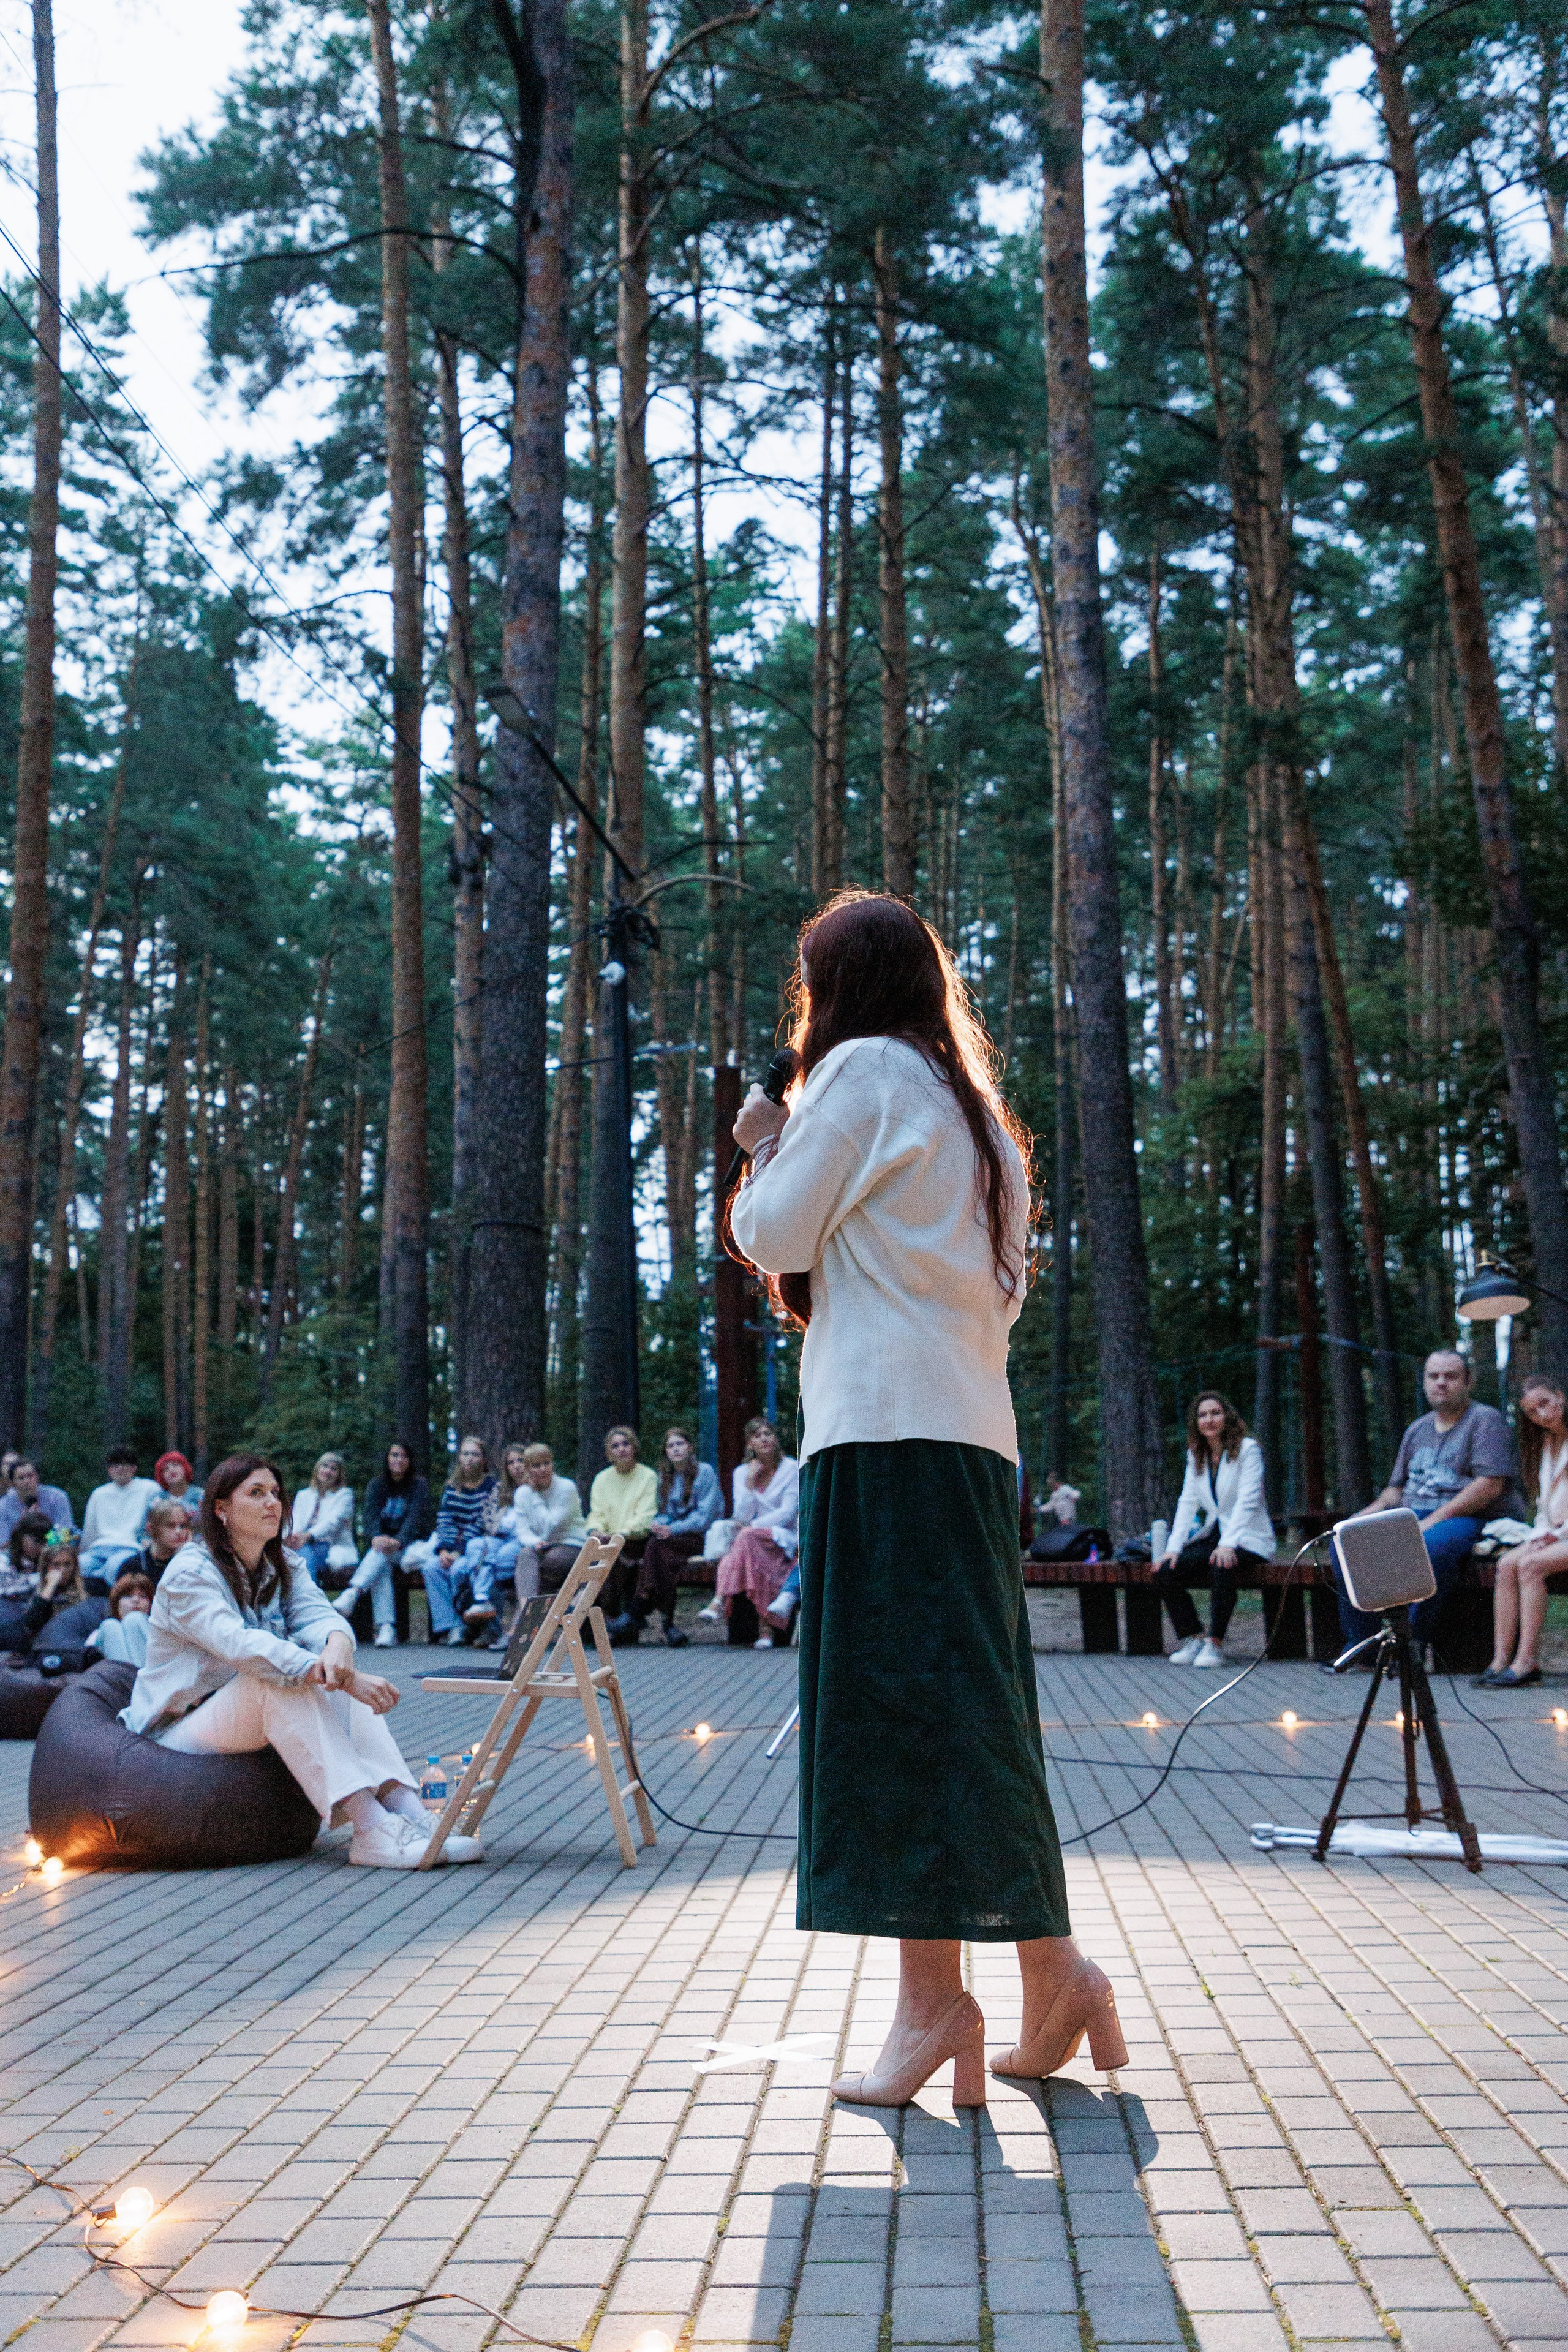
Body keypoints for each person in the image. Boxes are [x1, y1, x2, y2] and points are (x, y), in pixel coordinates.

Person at [730, 890, 1125, 2107]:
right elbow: (989, 1297)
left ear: (837, 988)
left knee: (895, 1713)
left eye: (810, 987)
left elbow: (773, 1233)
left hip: (883, 1439)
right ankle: (1048, 1971)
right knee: (966, 1707)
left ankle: (932, 2006)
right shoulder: (980, 1121)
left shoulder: (853, 1078)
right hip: (967, 1443)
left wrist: (761, 1144)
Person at [123, 1452, 479, 1868]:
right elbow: (241, 1645)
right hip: (174, 1735)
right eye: (255, 1494)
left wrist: (339, 1651)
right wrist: (342, 1676)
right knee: (279, 1676)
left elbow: (322, 1617)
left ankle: (410, 1812)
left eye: (276, 1493)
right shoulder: (190, 1573)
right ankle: (370, 1828)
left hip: (238, 1716)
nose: (272, 1503)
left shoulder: (283, 1563)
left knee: (323, 1671)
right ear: (221, 1510)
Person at [1335, 1350, 1520, 1658]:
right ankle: (1364, 1646)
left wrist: (1432, 1521)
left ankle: (1411, 1643)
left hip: (1471, 1516)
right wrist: (1354, 1523)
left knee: (1429, 1546)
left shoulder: (1485, 1421)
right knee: (1343, 1543)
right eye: (1434, 1376)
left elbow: (1489, 1486)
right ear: (1425, 1382)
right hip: (1414, 1513)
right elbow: (1396, 1491)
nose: (1441, 1383)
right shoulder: (1417, 1429)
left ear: (1468, 1381)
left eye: (1451, 1376)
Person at [1153, 1392, 1276, 1667]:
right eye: (1202, 1415)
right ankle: (1193, 1637)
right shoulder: (1196, 1455)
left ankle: (1215, 1643)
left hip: (1248, 1537)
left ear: (1227, 1416)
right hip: (1217, 1534)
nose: (1209, 1420)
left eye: (1215, 1413)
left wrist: (1229, 1543)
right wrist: (1173, 1548)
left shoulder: (1248, 1450)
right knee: (1165, 1570)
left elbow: (1248, 1500)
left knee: (1222, 1564)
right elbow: (1187, 1502)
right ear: (1196, 1422)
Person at [1477, 1374, 1568, 1689]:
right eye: (1532, 1412)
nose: (1542, 1414)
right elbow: (1545, 1504)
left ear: (1560, 1395)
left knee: (1530, 1566)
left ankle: (1527, 1661)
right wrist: (1542, 1533)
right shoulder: (1546, 1443)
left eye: (1545, 1403)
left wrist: (1555, 1535)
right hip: (1556, 1533)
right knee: (1505, 1564)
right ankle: (1501, 1659)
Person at [605, 1428, 722, 1648]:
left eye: (680, 1444)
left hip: (701, 1537)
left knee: (656, 1549)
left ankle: (638, 1610)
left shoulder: (704, 1472)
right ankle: (668, 1625)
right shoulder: (667, 1477)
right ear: (666, 1452)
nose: (676, 1449)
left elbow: (704, 1518)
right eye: (671, 1446)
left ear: (690, 1447)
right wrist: (659, 1525)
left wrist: (673, 1529)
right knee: (659, 1552)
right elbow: (665, 1512)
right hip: (672, 1541)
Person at [698, 1420, 800, 1646]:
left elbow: (788, 1514)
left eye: (768, 1434)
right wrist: (750, 1482)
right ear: (750, 1443)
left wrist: (752, 1527)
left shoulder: (791, 1468)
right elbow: (742, 1515)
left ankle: (718, 1600)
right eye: (757, 1435)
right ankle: (765, 1632)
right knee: (750, 1557)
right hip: (753, 1542)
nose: (764, 1439)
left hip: (783, 1538)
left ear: (776, 1439)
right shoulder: (742, 1472)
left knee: (744, 1539)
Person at [330, 1441, 434, 1646]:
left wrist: (398, 1541)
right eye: (394, 1455)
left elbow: (416, 1519)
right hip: (384, 1547)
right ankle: (387, 1628)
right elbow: (370, 1517)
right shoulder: (377, 1485)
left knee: (380, 1556)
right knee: (381, 1562)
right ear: (387, 1459)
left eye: (403, 1456)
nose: (398, 1460)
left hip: (411, 1548)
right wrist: (376, 1537)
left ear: (410, 1461)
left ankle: (354, 1593)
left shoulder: (419, 1485)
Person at [399, 1436, 497, 1646]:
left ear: (483, 1459)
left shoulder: (491, 1486)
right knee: (432, 1569)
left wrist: (458, 1552)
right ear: (460, 1458)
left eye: (475, 1454)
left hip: (475, 1547)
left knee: (457, 1570)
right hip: (450, 1545)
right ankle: (453, 1627)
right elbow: (445, 1520)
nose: (470, 1459)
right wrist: (444, 1549)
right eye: (465, 1454)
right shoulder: (453, 1486)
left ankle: (472, 1625)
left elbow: (481, 1523)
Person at [0, 1522, 104, 1655]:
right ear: (46, 1566)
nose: (62, 1570)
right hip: (48, 1644)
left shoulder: (92, 1586)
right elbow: (32, 1624)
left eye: (67, 1565)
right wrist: (49, 1587)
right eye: (56, 1565)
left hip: (80, 1643)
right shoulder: (38, 1592)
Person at [586, 1427, 658, 1616]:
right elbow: (597, 1513)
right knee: (600, 1550)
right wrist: (596, 1530)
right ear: (609, 1453)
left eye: (626, 1444)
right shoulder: (601, 1479)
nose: (622, 1449)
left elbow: (645, 1516)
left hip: (635, 1541)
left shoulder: (647, 1476)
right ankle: (602, 1616)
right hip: (608, 1541)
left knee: (609, 1553)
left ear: (634, 1447)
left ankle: (602, 1614)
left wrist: (620, 1535)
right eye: (615, 1446)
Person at [80, 1449, 162, 1593]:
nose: (119, 1468)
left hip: (130, 1547)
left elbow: (158, 1517)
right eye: (114, 1465)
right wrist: (85, 1549)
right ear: (109, 1470)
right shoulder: (99, 1494)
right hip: (100, 1548)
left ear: (134, 1468)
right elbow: (90, 1530)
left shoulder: (149, 1489)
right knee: (81, 1564)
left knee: (114, 1566)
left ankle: (112, 1605)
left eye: (124, 1464)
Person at [289, 1454, 356, 1583]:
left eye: (333, 1469)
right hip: (301, 1545)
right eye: (325, 1466)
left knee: (302, 1560)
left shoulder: (344, 1495)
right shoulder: (303, 1495)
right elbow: (295, 1521)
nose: (328, 1471)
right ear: (317, 1468)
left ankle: (311, 1600)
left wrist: (307, 1536)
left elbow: (332, 1522)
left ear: (339, 1474)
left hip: (329, 1545)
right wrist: (293, 1537)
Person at [88, 1569, 156, 1667]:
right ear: (117, 1603)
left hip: (158, 1677)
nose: (136, 1600)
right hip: (117, 1678)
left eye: (143, 1596)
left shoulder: (162, 1630)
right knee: (109, 1626)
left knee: (134, 1619)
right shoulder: (101, 1632)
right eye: (128, 1596)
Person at [0, 1457, 74, 1546]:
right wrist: (23, 1527)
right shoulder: (3, 1506)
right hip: (17, 1555)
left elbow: (65, 1533)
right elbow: (3, 1544)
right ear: (12, 1483)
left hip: (54, 1551)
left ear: (37, 1477)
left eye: (30, 1476)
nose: (27, 1481)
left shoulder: (57, 1497)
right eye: (21, 1478)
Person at [135, 1498, 195, 1588]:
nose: (179, 1532)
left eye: (183, 1526)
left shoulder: (194, 1564)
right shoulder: (133, 1567)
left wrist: (186, 1554)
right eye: (171, 1526)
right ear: (151, 1528)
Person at [154, 1450, 204, 1517]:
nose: (171, 1470)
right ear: (161, 1477)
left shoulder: (201, 1495)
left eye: (175, 1465)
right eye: (166, 1469)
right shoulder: (158, 1501)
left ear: (185, 1468)